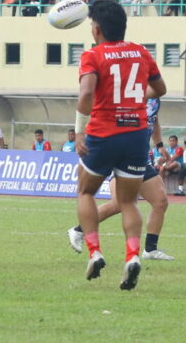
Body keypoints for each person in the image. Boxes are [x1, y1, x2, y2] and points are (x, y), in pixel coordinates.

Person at [72, 0, 167, 290]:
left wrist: (79, 131)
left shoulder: (93, 55)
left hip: (103, 131)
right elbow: (160, 89)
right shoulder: (140, 52)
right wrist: (136, 99)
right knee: (128, 201)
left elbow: (87, 93)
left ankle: (95, 251)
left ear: (97, 29)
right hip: (136, 134)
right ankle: (132, 256)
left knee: (86, 191)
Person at [67, 97, 175, 262]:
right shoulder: (128, 91)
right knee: (119, 204)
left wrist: (159, 143)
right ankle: (79, 230)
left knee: (160, 201)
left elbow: (153, 119)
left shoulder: (153, 96)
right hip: (122, 155)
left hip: (140, 157)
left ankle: (150, 249)